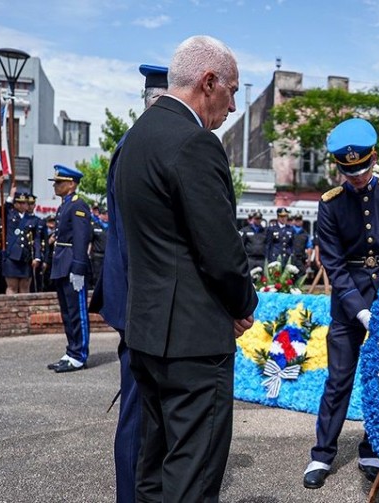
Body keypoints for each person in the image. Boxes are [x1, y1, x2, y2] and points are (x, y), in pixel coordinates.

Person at [115, 35, 258, 502]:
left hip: (147, 333)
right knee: (192, 478)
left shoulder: (136, 138)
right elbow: (219, 250)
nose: (234, 105)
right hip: (193, 344)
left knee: (153, 470)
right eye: (232, 91)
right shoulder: (195, 143)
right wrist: (243, 304)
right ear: (208, 81)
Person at [303, 117, 379, 490]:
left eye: (362, 168)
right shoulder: (330, 205)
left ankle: (371, 448)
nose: (356, 177)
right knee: (339, 380)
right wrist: (360, 309)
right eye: (348, 171)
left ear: (375, 159)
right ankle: (322, 454)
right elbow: (335, 265)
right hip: (347, 304)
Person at [88, 62, 168, 503]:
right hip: (140, 303)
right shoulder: (139, 146)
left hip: (136, 300)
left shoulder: (133, 144)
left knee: (146, 410)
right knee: (138, 413)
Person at [46, 165, 93, 373]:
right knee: (67, 312)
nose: (55, 186)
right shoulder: (64, 205)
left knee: (78, 312)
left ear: (71, 183)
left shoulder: (77, 204)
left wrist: (79, 268)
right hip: (61, 264)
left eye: (59, 182)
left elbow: (82, 238)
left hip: (72, 264)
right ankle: (71, 350)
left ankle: (80, 354)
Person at [0, 179, 41, 294]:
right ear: (15, 204)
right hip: (12, 256)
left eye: (26, 203)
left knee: (25, 287)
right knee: (11, 287)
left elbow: (36, 239)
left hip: (25, 257)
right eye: (21, 203)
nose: (24, 205)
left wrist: (37, 256)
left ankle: (24, 311)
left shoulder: (32, 219)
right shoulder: (8, 214)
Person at [25, 194, 46, 292]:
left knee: (36, 283)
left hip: (35, 255)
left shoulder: (39, 221)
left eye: (32, 204)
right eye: (28, 204)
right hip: (24, 255)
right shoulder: (21, 219)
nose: (30, 206)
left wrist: (43, 259)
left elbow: (42, 241)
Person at [89, 206, 107, 286]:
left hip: (109, 255)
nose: (106, 215)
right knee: (97, 276)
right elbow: (90, 241)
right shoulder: (94, 226)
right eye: (104, 214)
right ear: (99, 215)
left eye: (107, 213)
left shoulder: (112, 226)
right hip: (97, 256)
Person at [289, 213, 311, 278]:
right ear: (294, 221)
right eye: (296, 220)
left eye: (299, 220)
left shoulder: (305, 234)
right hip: (290, 258)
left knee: (301, 275)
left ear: (302, 221)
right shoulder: (289, 231)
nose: (298, 222)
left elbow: (309, 247)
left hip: (300, 259)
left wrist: (309, 260)